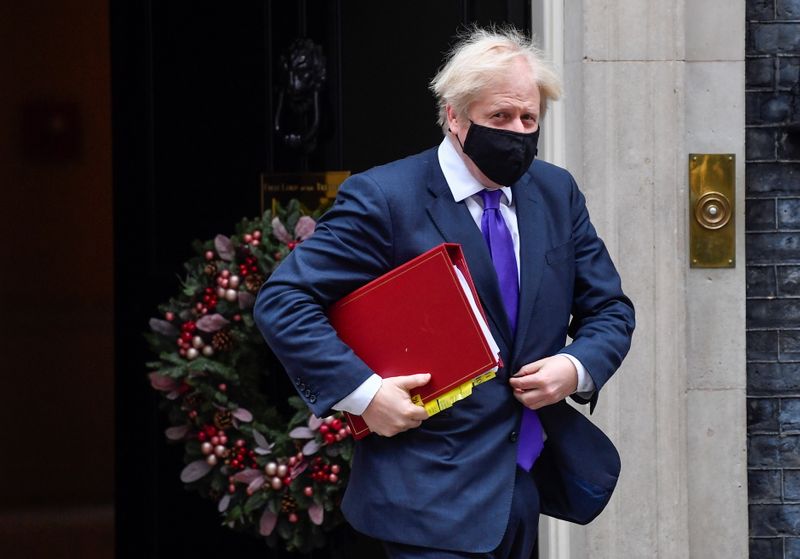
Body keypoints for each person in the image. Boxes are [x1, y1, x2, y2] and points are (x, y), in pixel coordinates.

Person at [254, 26, 635, 559]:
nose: (518, 132)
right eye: (499, 117)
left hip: (522, 488)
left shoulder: (555, 192)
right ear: (455, 116)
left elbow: (610, 309)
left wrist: (574, 367)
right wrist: (364, 395)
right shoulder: (385, 198)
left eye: (529, 119)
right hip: (423, 501)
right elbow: (283, 301)